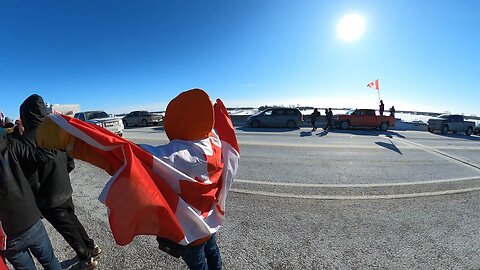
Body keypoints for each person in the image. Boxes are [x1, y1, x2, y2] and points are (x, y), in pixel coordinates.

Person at [35, 89, 240, 270]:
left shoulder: (179, 155)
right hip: (211, 222)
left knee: (199, 264)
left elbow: (127, 155)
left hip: (192, 231)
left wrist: (73, 140)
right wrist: (218, 112)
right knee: (213, 253)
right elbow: (218, 131)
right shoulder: (214, 145)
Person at [19, 94, 100, 270]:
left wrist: (36, 198)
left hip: (48, 197)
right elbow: (70, 161)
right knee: (73, 220)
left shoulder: (25, 141)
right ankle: (91, 246)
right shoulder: (55, 131)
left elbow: (30, 176)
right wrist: (62, 175)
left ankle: (86, 259)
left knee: (68, 230)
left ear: (25, 115)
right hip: (65, 188)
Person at [0, 127, 62, 270]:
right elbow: (44, 155)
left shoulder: (12, 145)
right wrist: (55, 131)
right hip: (30, 220)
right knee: (50, 261)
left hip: (7, 234)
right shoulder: (12, 145)